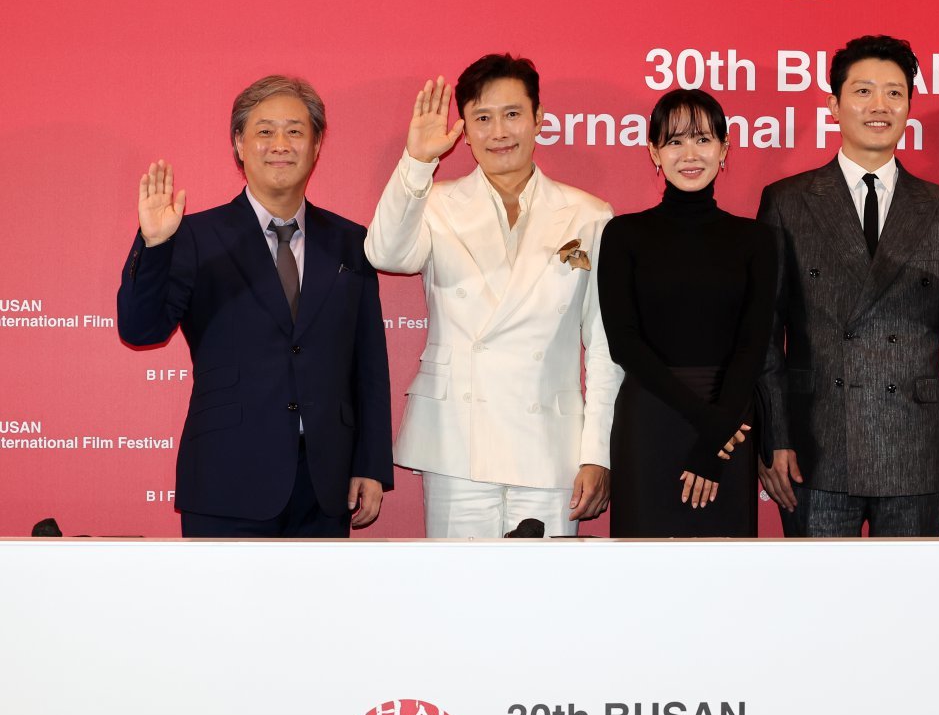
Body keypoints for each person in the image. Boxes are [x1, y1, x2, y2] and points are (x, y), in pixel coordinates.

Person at [117, 76, 392, 537]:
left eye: (295, 131)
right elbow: (140, 329)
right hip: (226, 477)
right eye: (265, 131)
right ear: (239, 145)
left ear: (316, 145)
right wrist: (156, 245)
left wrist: (371, 463)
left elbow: (369, 365)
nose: (280, 144)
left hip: (326, 484)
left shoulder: (351, 242)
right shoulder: (194, 237)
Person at [364, 54, 621, 538]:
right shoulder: (435, 203)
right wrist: (417, 163)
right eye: (482, 118)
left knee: (545, 585)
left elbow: (606, 346)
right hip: (456, 442)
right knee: (459, 583)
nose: (499, 132)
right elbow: (385, 253)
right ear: (464, 129)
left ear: (538, 118)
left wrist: (597, 453)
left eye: (512, 114)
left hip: (550, 446)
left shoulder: (588, 214)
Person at [756, 34, 939, 537]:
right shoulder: (788, 201)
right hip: (816, 446)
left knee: (911, 590)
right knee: (820, 589)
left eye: (894, 93)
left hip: (912, 447)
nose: (879, 106)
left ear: (909, 106)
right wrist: (774, 436)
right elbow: (764, 333)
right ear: (834, 105)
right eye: (863, 91)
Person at [597, 89, 779, 537]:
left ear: (724, 148)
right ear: (654, 152)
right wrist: (712, 426)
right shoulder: (623, 234)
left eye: (702, 139)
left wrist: (718, 433)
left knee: (726, 569)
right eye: (674, 141)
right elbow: (624, 344)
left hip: (731, 417)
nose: (690, 154)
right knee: (643, 564)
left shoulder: (756, 239)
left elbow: (753, 346)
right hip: (652, 419)